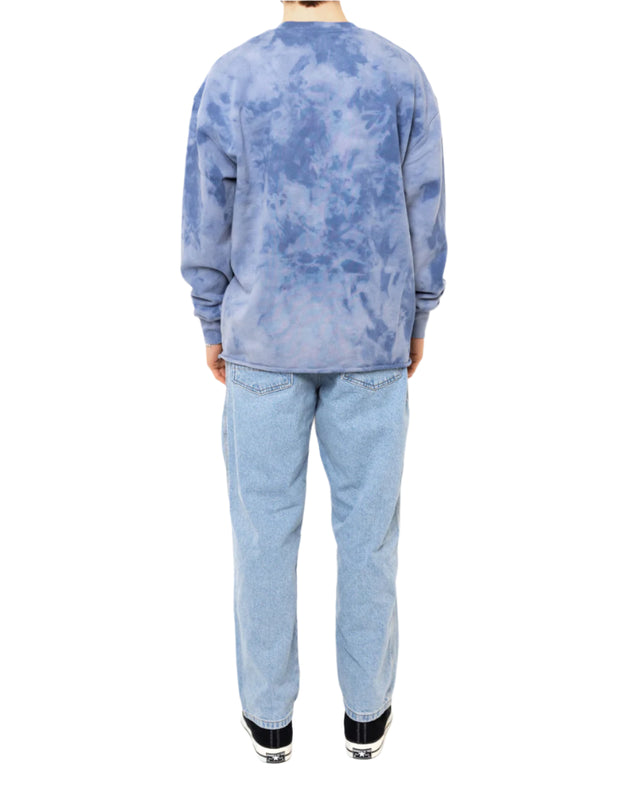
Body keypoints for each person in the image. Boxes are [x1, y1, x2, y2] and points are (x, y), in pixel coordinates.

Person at [180, 0, 448, 762]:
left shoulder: (232, 77)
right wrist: (418, 311)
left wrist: (211, 318)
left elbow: (205, 213)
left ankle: (270, 722)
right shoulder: (399, 74)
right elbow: (425, 208)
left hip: (262, 339)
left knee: (263, 536)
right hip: (371, 339)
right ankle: (367, 718)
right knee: (368, 538)